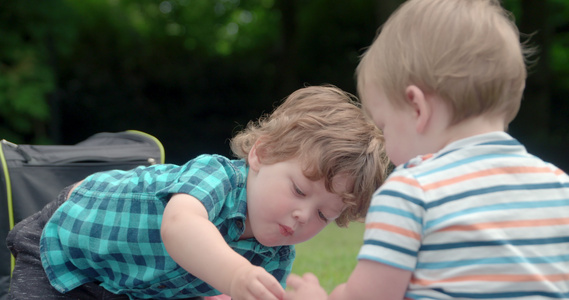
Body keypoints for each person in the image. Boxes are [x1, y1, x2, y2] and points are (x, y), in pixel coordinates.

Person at [285, 0, 569, 299]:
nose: (386, 145)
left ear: (417, 108)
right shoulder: (560, 187)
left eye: (384, 127)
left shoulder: (411, 192)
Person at [6, 85, 389, 300]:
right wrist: (236, 275)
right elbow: (181, 227)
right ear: (262, 154)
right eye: (298, 190)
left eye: (324, 214)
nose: (304, 215)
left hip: (123, 285)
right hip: (65, 241)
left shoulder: (274, 256)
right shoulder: (218, 177)